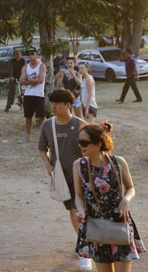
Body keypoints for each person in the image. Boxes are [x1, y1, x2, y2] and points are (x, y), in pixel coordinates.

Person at [73, 121, 145, 270]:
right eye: (79, 141)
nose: (80, 145)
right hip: (95, 226)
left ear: (98, 144)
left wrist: (126, 200)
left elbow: (131, 188)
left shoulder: (119, 162)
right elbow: (78, 196)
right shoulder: (78, 165)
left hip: (119, 222)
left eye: (84, 142)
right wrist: (80, 210)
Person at [38, 89, 87, 270]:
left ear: (68, 105)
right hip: (62, 178)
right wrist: (48, 166)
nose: (53, 107)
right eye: (52, 103)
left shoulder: (81, 126)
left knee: (80, 210)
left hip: (82, 176)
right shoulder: (47, 126)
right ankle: (84, 245)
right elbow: (42, 148)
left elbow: (90, 151)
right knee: (74, 211)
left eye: (57, 103)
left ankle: (85, 247)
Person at [19, 47, 46, 143]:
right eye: (28, 54)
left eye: (32, 53)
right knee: (28, 117)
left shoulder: (41, 66)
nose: (30, 55)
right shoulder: (25, 67)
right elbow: (21, 81)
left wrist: (28, 80)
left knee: (41, 117)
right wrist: (32, 81)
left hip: (39, 95)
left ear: (36, 54)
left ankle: (44, 137)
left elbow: (40, 80)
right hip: (28, 95)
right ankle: (27, 137)